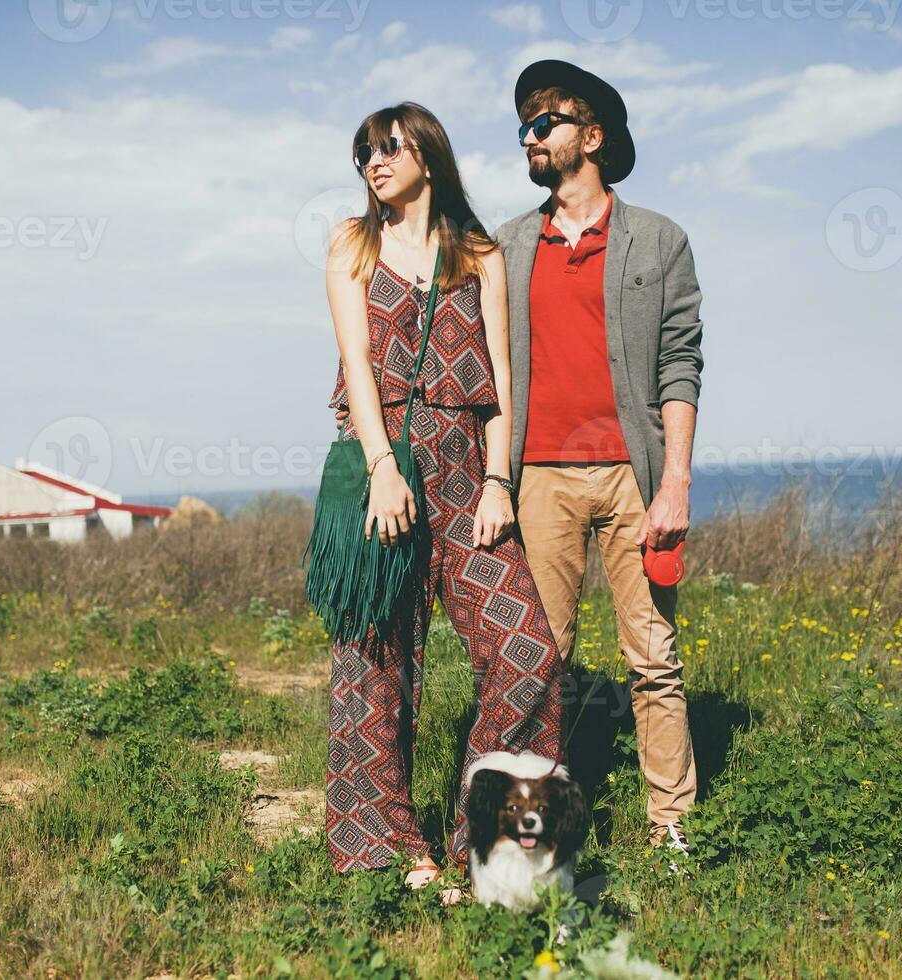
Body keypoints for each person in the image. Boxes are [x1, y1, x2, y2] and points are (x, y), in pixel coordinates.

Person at [320, 102, 564, 886]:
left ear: (427, 153)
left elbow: (500, 379)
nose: (372, 162)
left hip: (468, 477)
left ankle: (485, 839)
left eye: (387, 147)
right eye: (363, 152)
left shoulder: (480, 255)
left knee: (527, 655)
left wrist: (500, 481)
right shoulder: (351, 247)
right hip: (383, 473)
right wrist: (384, 466)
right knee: (375, 666)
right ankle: (388, 849)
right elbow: (357, 368)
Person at [503, 60, 705, 858]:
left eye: (545, 120)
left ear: (591, 137)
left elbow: (680, 363)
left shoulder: (660, 239)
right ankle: (534, 833)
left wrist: (676, 482)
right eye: (523, 124)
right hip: (538, 479)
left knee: (653, 659)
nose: (530, 134)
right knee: (537, 660)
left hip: (635, 476)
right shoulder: (511, 244)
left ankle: (672, 827)